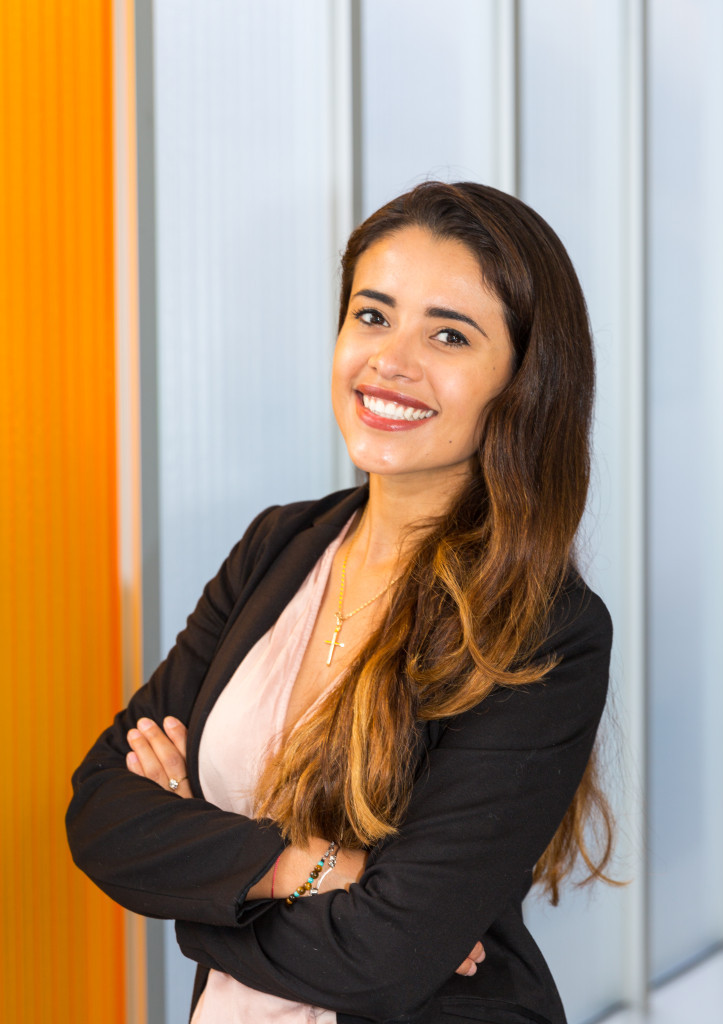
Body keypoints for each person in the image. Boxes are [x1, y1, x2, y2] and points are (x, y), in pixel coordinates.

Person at [66, 181, 614, 1024]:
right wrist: (306, 869)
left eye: (449, 334)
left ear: (523, 381)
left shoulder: (544, 627)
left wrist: (194, 891)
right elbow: (102, 810)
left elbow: (384, 960)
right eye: (372, 315)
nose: (391, 360)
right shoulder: (278, 547)